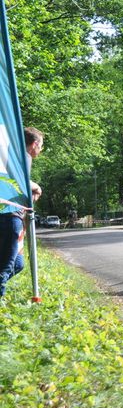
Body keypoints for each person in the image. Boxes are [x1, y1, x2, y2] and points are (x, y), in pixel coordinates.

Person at [0, 127, 44, 299]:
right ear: (34, 144)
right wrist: (36, 187)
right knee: (4, 268)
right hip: (9, 217)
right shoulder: (21, 158)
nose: (40, 150)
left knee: (17, 264)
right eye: (41, 146)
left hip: (14, 217)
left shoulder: (14, 157)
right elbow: (17, 181)